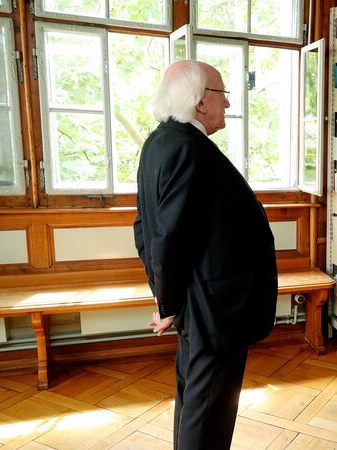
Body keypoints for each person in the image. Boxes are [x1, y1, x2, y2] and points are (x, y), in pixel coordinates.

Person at [133, 60, 278, 449]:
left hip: (199, 305)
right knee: (209, 410)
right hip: (214, 310)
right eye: (222, 94)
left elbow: (145, 230)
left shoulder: (160, 142)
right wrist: (168, 302)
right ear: (200, 102)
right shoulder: (187, 149)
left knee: (197, 403)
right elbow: (164, 237)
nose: (228, 104)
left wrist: (169, 299)